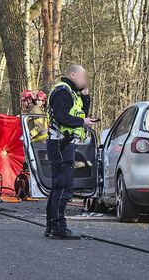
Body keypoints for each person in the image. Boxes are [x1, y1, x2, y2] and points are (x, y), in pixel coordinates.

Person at [45, 64, 98, 239]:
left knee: (58, 187)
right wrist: (83, 123)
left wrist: (86, 97)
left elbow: (80, 113)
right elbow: (62, 117)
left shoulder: (71, 93)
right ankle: (59, 227)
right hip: (61, 143)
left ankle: (52, 226)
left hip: (64, 143)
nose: (84, 81)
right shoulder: (63, 91)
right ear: (73, 75)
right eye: (83, 77)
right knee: (63, 186)